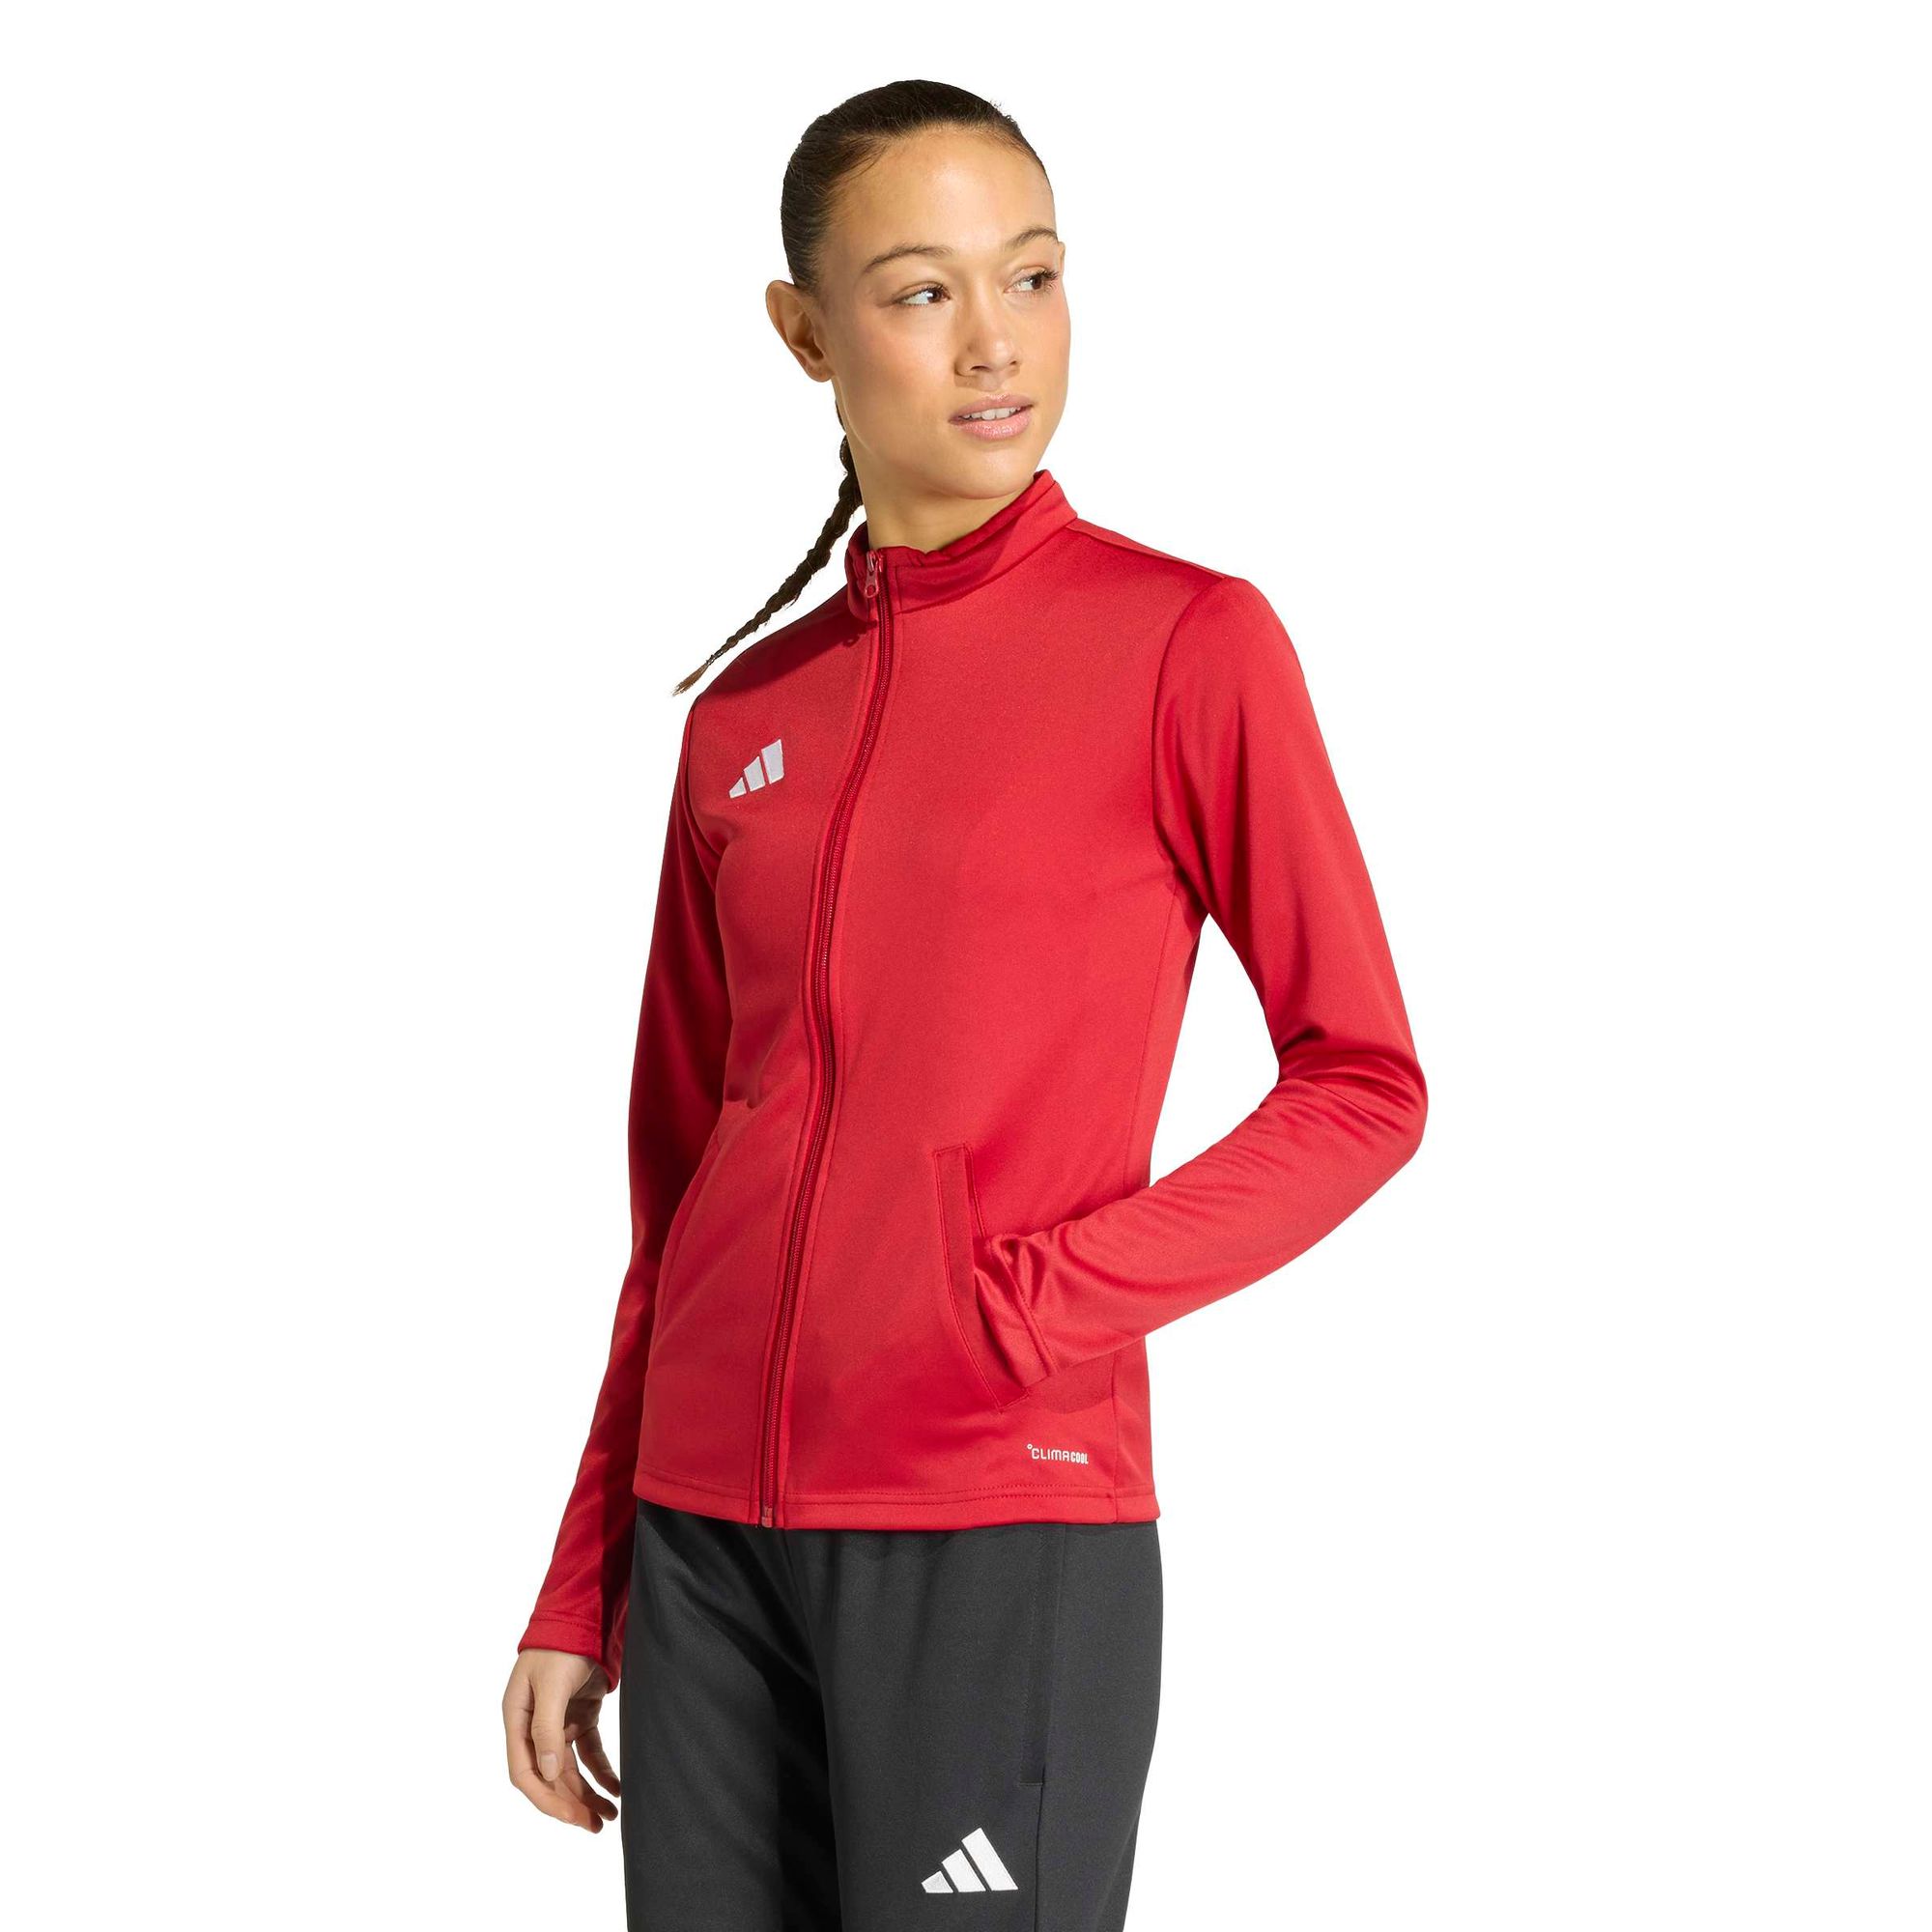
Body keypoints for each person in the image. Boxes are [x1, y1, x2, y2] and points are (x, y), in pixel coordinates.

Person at [501, 77, 1428, 1931]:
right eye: (922, 292)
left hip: (995, 1516)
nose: (995, 342)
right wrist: (584, 1574)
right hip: (704, 1539)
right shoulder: (746, 719)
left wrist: (1032, 1304)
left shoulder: (1186, 645)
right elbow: (677, 1189)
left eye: (1034, 275)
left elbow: (1363, 1085)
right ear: (806, 333)